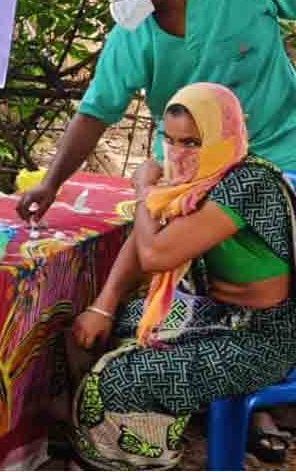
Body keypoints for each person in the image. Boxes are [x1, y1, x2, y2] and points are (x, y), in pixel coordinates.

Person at [67, 83, 296, 468]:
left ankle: (130, 459)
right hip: (221, 316)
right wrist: (102, 307)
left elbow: (155, 254)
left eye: (192, 142)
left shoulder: (246, 183)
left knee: (123, 380)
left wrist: (145, 190)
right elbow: (146, 239)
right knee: (114, 324)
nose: (178, 153)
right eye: (170, 141)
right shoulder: (198, 180)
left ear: (223, 134)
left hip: (265, 338)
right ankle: (93, 429)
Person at [18, 0, 296, 224]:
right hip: (187, 175)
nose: (120, 2)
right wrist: (51, 183)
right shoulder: (129, 36)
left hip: (280, 155)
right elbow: (94, 114)